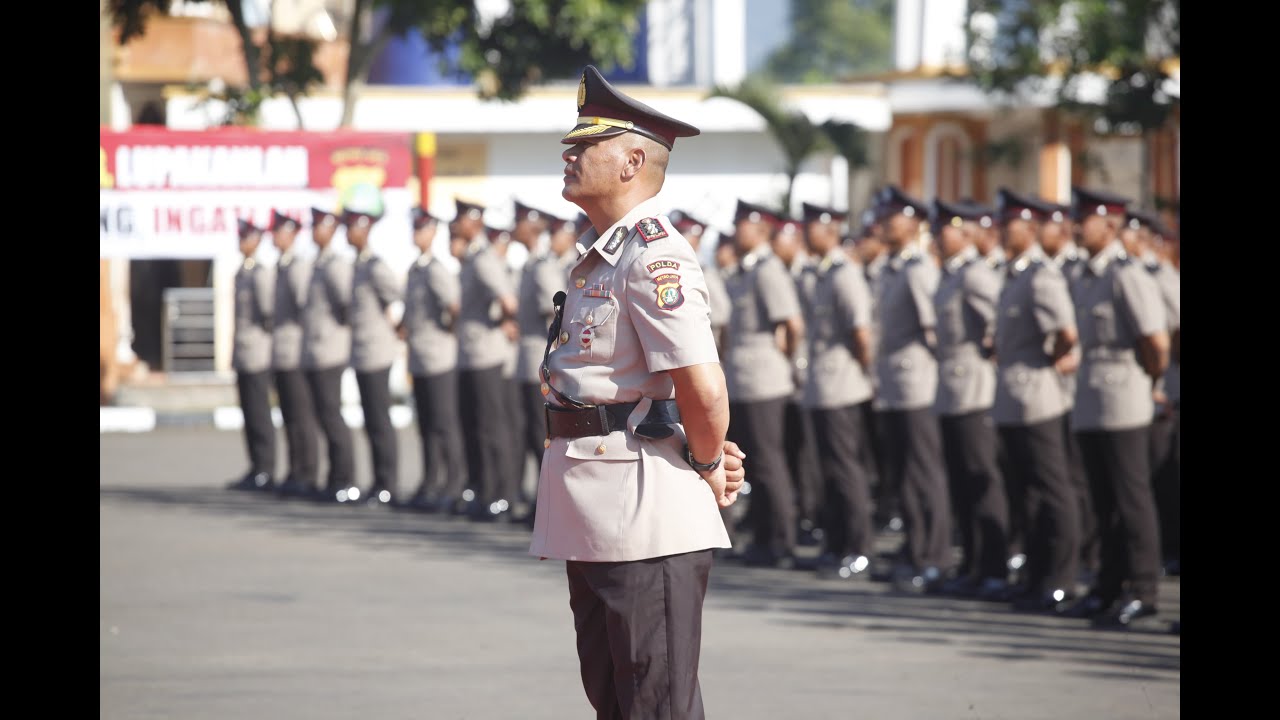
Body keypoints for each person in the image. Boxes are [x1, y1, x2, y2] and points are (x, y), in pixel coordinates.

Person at [531, 65, 746, 720]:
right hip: (595, 503)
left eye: (583, 145)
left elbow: (702, 388)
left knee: (655, 708)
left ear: (630, 162)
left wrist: (708, 464)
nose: (568, 155)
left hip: (645, 515)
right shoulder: (605, 254)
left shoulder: (654, 256)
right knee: (616, 704)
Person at [1062, 187, 1169, 627]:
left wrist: (1151, 381)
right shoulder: (1086, 276)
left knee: (1131, 498)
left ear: (1110, 226)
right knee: (1101, 500)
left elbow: (1155, 341)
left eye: (1083, 219)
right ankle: (1108, 585)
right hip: (1090, 397)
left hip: (1123, 397)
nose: (1074, 227)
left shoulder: (1128, 275)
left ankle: (1142, 588)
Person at [990, 188, 1081, 612]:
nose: (1000, 230)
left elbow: (1066, 333)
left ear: (1028, 229)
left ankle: (1061, 578)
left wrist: (1053, 364)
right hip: (1011, 397)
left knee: (1053, 490)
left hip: (1039, 399)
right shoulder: (1014, 274)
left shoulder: (1042, 275)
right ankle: (1033, 576)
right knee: (1023, 492)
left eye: (1008, 223)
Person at [928, 200, 1010, 599]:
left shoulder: (976, 274)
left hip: (975, 388)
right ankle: (972, 564)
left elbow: (1000, 324)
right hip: (950, 389)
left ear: (965, 233)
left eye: (944, 229)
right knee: (960, 482)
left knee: (982, 481)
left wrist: (992, 358)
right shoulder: (951, 275)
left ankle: (994, 567)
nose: (936, 236)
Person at [872, 185, 952, 591]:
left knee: (924, 474)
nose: (884, 224)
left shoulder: (919, 268)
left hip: (919, 385)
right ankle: (913, 549)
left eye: (892, 217)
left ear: (913, 222)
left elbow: (934, 331)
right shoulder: (893, 267)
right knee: (904, 473)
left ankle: (933, 556)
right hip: (894, 385)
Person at [724, 199, 806, 568]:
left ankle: (781, 541)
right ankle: (761, 537)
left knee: (771, 463)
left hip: (765, 379)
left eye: (742, 224)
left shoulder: (768, 270)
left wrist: (788, 364)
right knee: (753, 465)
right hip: (743, 378)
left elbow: (792, 324)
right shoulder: (745, 271)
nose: (735, 229)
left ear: (759, 230)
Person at [798, 202, 877, 580]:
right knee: (828, 472)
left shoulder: (845, 274)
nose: (805, 232)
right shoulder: (819, 273)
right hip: (821, 387)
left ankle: (858, 548)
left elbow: (862, 334)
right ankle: (835, 544)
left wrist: (861, 374)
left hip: (843, 387)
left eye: (812, 226)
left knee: (847, 472)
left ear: (830, 230)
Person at [454, 199, 520, 521]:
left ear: (474, 222)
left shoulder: (483, 259)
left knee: (493, 429)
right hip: (470, 353)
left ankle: (502, 495)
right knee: (476, 427)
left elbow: (508, 300)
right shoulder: (471, 257)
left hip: (487, 354)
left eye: (460, 219)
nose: (455, 225)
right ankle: (483, 491)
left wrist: (505, 322)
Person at [401, 208, 467, 513]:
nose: (417, 235)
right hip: (420, 357)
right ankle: (430, 481)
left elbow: (454, 306)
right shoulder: (417, 269)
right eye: (414, 230)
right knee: (426, 424)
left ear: (432, 233)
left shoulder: (436, 269)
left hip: (440, 357)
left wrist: (449, 334)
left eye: (422, 230)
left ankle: (453, 483)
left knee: (445, 424)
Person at [344, 195, 403, 506]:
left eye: (352, 227)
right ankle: (378, 480)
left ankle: (388, 483)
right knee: (369, 419)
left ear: (364, 230)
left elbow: (394, 294)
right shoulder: (357, 266)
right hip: (362, 352)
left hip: (377, 352)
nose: (347, 233)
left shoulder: (375, 265)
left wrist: (395, 326)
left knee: (379, 418)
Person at [512, 202, 568, 521]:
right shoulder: (532, 263)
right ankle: (541, 502)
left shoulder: (544, 265)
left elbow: (556, 311)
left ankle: (548, 505)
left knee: (541, 435)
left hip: (540, 359)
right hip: (527, 357)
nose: (513, 228)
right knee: (532, 433)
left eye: (519, 223)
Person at [302, 207, 359, 503]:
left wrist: (338, 337)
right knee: (323, 415)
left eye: (319, 226)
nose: (314, 232)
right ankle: (333, 476)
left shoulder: (335, 265)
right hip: (317, 350)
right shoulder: (319, 263)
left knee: (332, 414)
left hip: (330, 350)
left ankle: (345, 478)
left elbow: (348, 305)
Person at [268, 210, 321, 499]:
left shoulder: (298, 267)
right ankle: (295, 470)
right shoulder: (283, 265)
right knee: (289, 416)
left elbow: (305, 309)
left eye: (279, 232)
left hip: (297, 351)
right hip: (283, 352)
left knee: (302, 417)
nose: (275, 237)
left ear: (291, 234)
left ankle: (308, 472)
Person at [227, 218, 278, 492]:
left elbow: (269, 314)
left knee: (260, 414)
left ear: (256, 241)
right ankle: (256, 466)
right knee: (248, 413)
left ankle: (266, 469)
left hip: (259, 353)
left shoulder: (260, 274)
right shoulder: (242, 272)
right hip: (244, 354)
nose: (242, 243)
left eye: (246, 237)